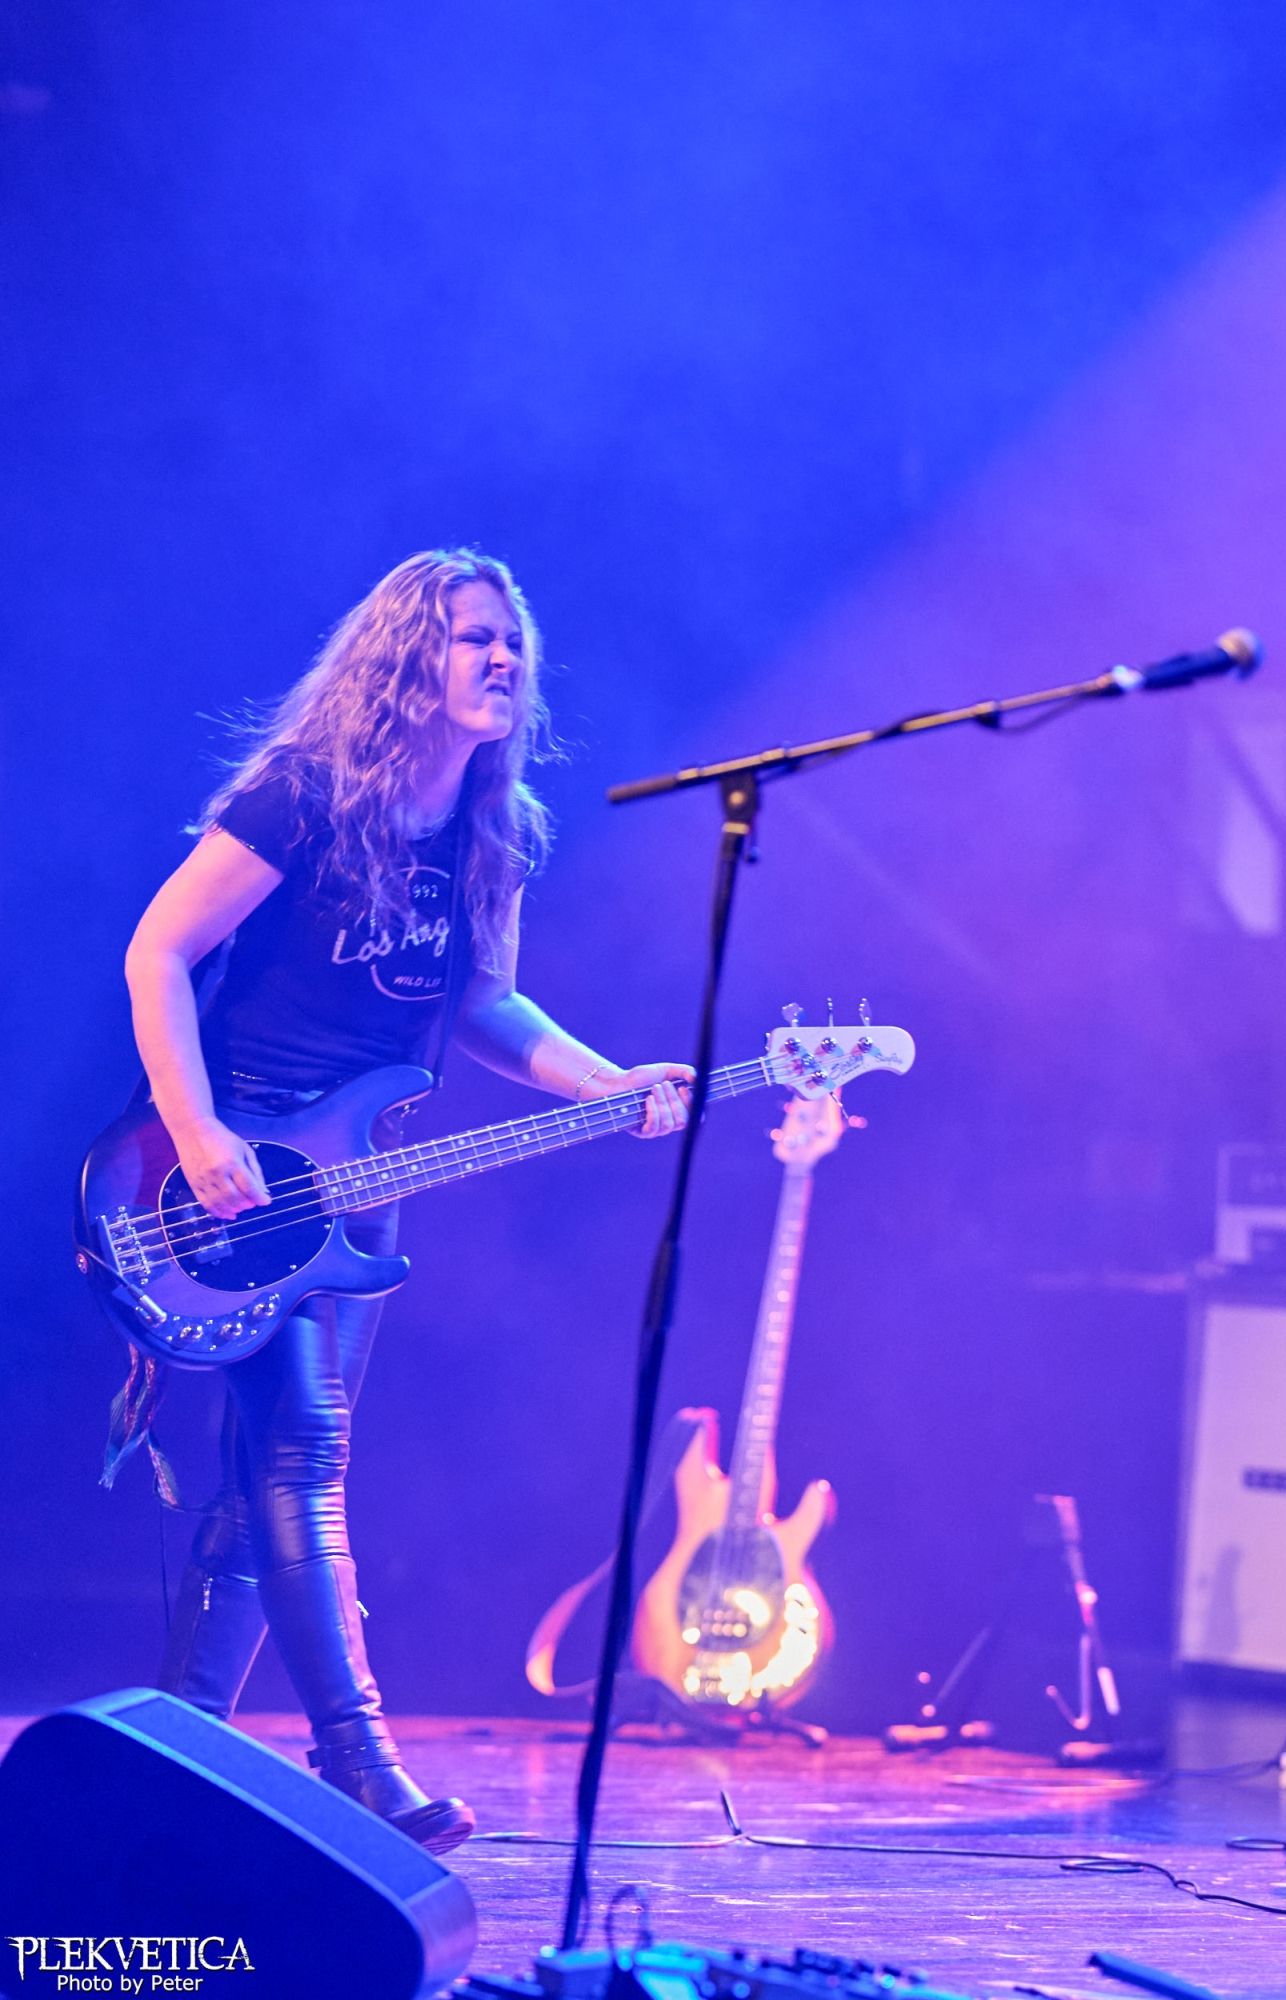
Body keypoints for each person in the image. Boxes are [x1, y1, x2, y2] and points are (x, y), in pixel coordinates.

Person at [122, 548, 692, 1853]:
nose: (502, 659)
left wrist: (606, 1082)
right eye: (473, 637)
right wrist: (196, 1132)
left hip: (362, 1185)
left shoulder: (494, 829)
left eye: (511, 641)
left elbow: (484, 1002)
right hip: (242, 1171)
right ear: (406, 659)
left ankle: (173, 1747)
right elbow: (159, 949)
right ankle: (358, 1761)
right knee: (304, 1451)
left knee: (271, 1472)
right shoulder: (304, 799)